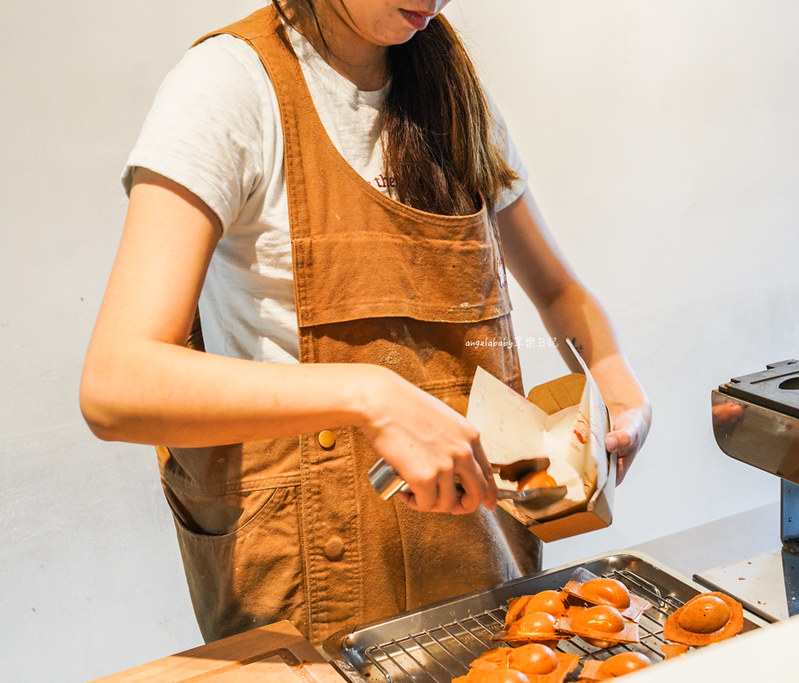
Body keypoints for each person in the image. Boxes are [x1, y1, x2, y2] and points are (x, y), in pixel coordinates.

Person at [80, 0, 651, 645]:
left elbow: (559, 292)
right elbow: (116, 385)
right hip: (310, 583)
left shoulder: (449, 91)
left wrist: (618, 387)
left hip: (480, 560)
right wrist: (368, 395)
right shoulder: (229, 86)